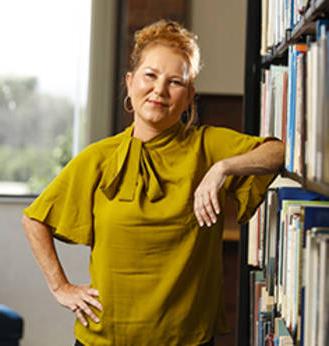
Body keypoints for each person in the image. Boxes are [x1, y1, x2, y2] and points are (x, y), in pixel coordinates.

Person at [22, 20, 284, 346]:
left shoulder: (207, 146)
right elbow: (35, 219)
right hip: (104, 338)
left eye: (175, 81)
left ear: (189, 97)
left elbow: (280, 152)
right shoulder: (98, 158)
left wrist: (223, 168)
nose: (159, 90)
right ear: (130, 83)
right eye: (150, 75)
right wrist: (61, 287)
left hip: (187, 339)